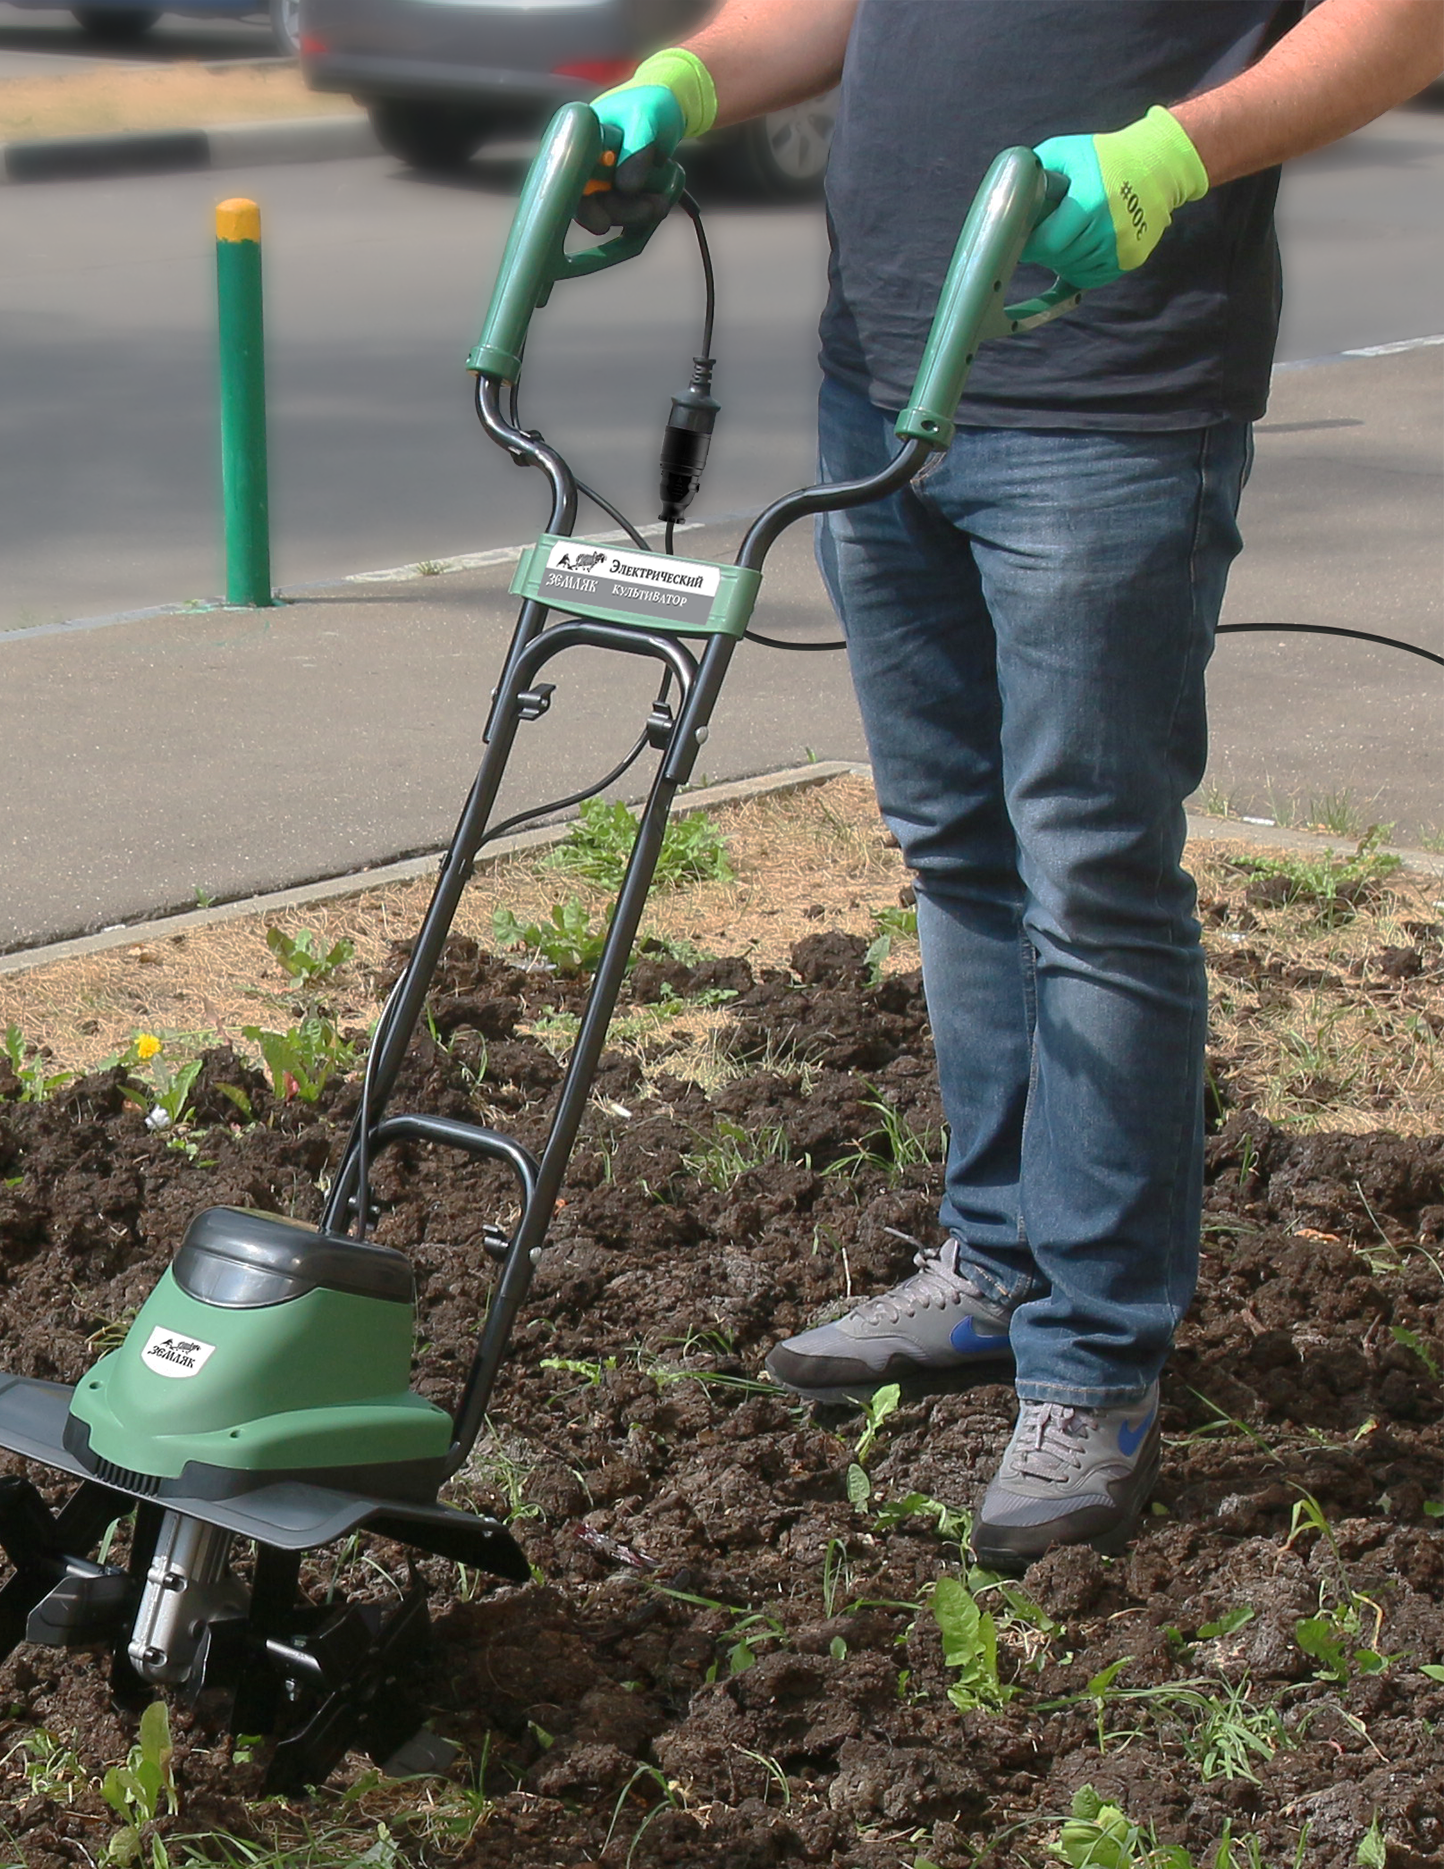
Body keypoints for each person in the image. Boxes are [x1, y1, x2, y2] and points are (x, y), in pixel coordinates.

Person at [583, 0, 1444, 1566]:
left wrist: (1179, 153)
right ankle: (995, 1263)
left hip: (1109, 405)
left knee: (1094, 881)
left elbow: (1400, 24)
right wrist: (682, 82)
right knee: (958, 853)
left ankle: (1094, 1356)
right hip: (886, 386)